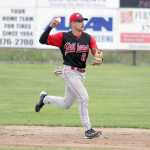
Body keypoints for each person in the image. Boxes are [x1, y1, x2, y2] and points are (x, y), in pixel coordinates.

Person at [35, 12, 103, 139]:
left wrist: (99, 57)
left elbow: (96, 51)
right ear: (72, 23)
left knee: (66, 104)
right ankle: (88, 130)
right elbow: (42, 40)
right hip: (70, 72)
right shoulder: (63, 36)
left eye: (83, 21)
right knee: (84, 98)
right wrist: (50, 26)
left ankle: (44, 99)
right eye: (79, 21)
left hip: (81, 74)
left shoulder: (88, 38)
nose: (82, 23)